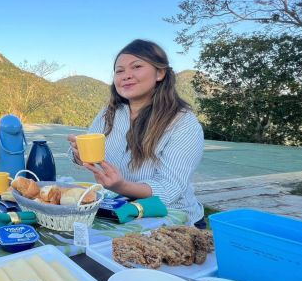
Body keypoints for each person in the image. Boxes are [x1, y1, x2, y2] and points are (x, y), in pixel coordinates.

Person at [68, 39, 206, 228]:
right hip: (120, 209)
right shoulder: (110, 113)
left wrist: (120, 186)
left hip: (172, 218)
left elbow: (169, 189)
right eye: (120, 71)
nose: (126, 76)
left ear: (160, 72)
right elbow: (88, 155)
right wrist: (78, 153)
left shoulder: (182, 122)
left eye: (137, 66)